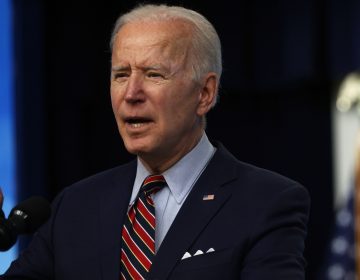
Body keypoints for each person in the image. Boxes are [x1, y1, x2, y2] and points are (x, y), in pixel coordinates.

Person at [1, 4, 310, 279]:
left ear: (205, 94)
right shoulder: (74, 206)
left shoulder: (267, 202)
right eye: (121, 75)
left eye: (154, 74)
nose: (131, 94)